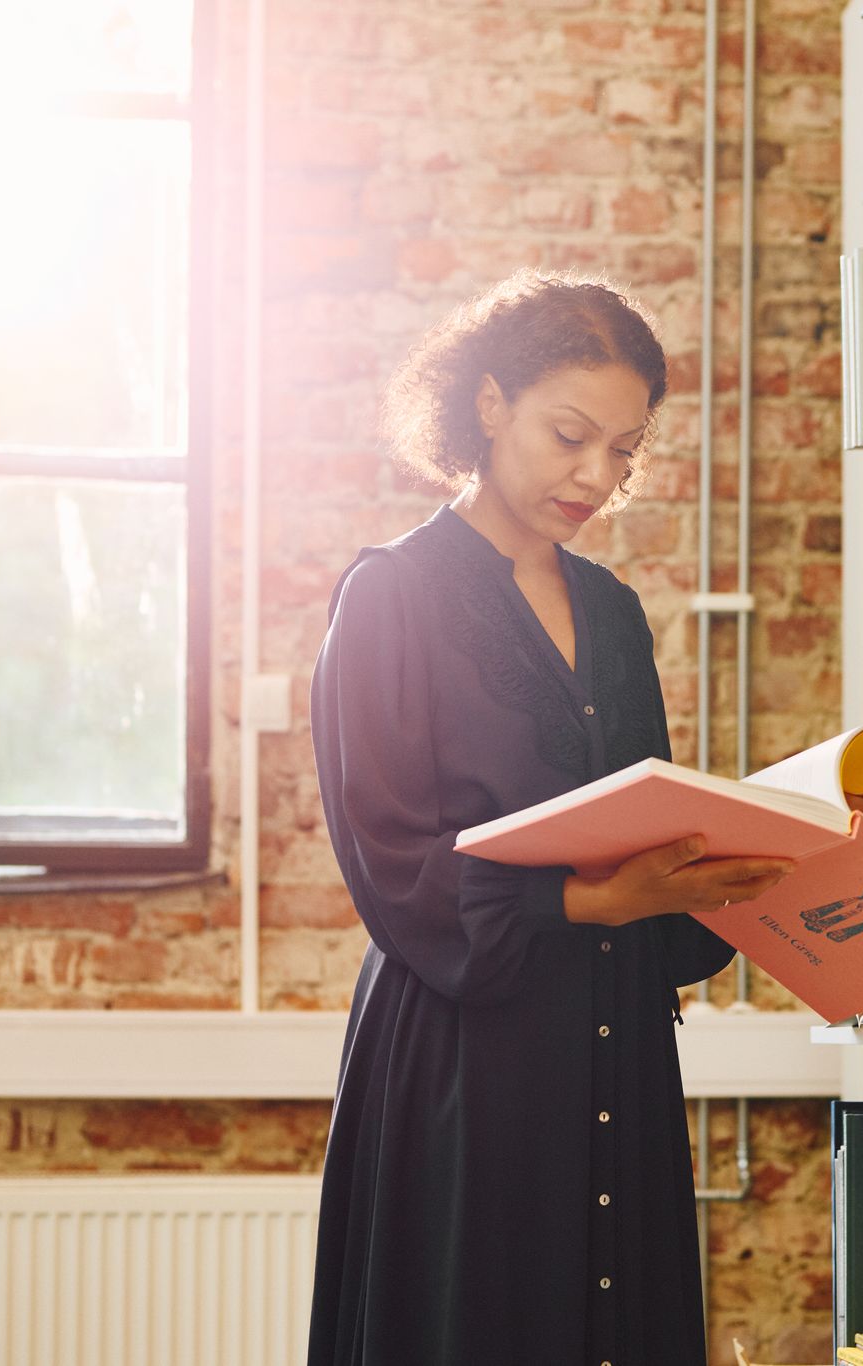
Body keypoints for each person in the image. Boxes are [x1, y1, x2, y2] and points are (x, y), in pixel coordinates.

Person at [304, 270, 796, 1366]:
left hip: (613, 1037)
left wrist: (761, 876)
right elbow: (389, 861)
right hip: (466, 1056)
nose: (596, 474)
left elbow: (653, 837)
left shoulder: (615, 615)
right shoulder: (389, 594)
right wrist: (591, 898)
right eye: (570, 435)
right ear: (488, 405)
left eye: (623, 449)